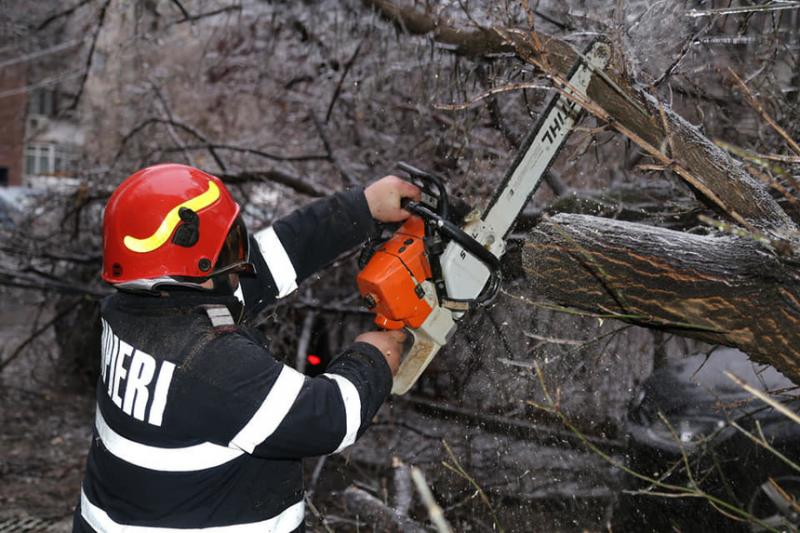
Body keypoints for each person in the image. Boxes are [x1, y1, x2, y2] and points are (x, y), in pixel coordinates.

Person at [73, 163, 420, 532]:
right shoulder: (208, 364)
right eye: (229, 250)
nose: (240, 265)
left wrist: (361, 208)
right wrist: (373, 356)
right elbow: (329, 417)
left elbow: (270, 259)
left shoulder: (136, 312)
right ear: (196, 262)